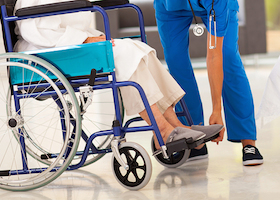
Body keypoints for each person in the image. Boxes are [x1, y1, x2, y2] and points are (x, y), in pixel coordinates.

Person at [13, 0, 223, 150]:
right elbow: (32, 28)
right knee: (124, 54)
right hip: (46, 52)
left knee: (140, 49)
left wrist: (89, 37)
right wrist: (84, 39)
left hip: (71, 47)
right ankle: (162, 130)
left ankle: (176, 125)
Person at [153, 0, 263, 165]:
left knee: (228, 57)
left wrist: (216, 110)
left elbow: (214, 55)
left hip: (214, 5)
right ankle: (194, 140)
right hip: (171, 6)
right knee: (176, 62)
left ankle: (247, 141)